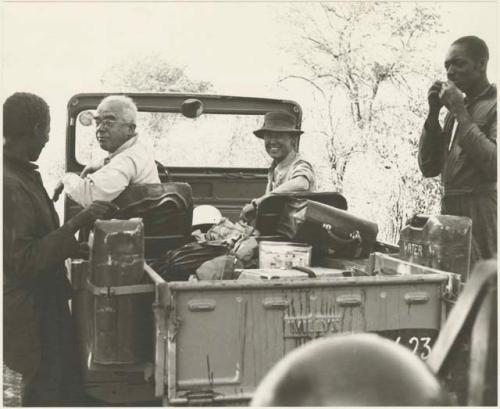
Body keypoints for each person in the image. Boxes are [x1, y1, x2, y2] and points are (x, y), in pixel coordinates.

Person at [3, 92, 118, 406]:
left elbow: (36, 240)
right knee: (46, 392)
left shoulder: (21, 174)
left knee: (65, 388)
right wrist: (78, 221)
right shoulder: (9, 184)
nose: (48, 137)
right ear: (37, 128)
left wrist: (70, 248)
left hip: (44, 305)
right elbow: (22, 261)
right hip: (32, 316)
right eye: (47, 129)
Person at [418, 36, 496, 266]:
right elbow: (429, 168)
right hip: (450, 214)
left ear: (481, 64)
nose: (450, 72)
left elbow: (494, 166)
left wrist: (460, 111)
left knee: (483, 287)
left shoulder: (494, 104)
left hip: (482, 214)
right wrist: (433, 115)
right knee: (452, 286)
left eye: (458, 64)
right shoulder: (454, 112)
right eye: (447, 66)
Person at [53, 94, 160, 206]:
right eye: (98, 123)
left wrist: (65, 178)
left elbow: (89, 196)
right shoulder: (139, 148)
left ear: (130, 129)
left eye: (109, 123)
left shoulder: (128, 158)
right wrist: (95, 165)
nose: (100, 129)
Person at [240, 110, 316, 222]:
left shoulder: (300, 164)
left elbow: (301, 183)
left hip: (297, 233)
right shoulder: (275, 168)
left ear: (293, 139)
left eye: (279, 136)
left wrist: (259, 202)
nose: (273, 141)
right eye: (269, 136)